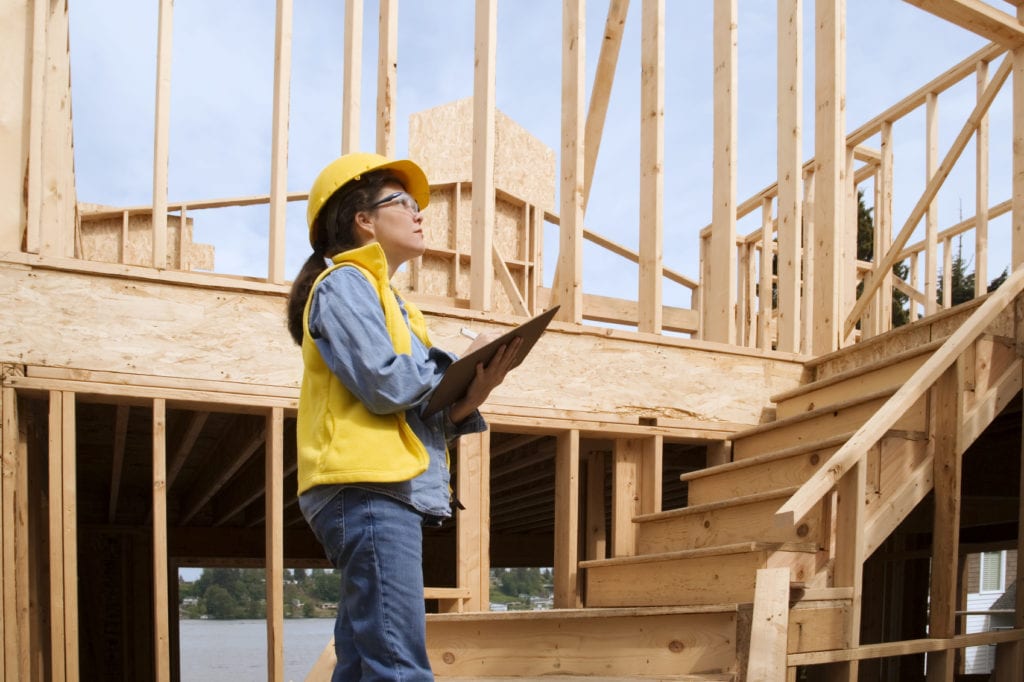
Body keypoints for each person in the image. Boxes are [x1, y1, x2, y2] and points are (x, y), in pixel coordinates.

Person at [286, 152, 521, 681]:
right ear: (362, 220)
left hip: (382, 488)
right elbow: (386, 384)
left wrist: (473, 392)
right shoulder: (344, 284)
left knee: (361, 664)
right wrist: (453, 362)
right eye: (403, 203)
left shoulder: (395, 303)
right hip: (368, 488)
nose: (419, 214)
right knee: (399, 667)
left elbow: (416, 409)